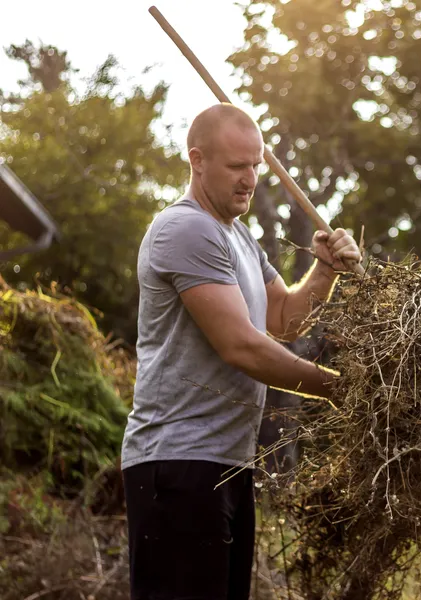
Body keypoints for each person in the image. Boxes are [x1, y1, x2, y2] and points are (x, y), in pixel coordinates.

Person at [120, 103, 361, 600]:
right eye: (236, 166)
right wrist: (345, 389)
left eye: (255, 165)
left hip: (226, 463)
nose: (250, 179)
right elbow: (243, 347)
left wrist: (325, 271)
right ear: (197, 160)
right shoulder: (186, 229)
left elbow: (285, 319)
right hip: (177, 465)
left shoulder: (240, 237)